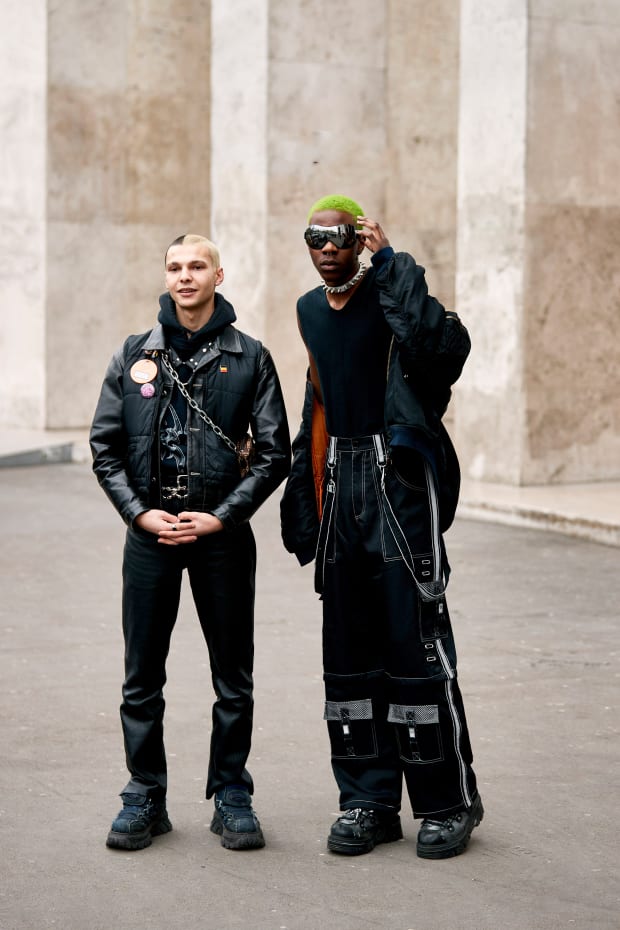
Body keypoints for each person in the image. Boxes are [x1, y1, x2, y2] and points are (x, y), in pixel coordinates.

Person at [280, 195, 483, 860]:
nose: (328, 246)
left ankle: (446, 805)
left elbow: (438, 349)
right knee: (347, 652)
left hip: (396, 482)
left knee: (414, 646)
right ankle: (366, 802)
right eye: (316, 237)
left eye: (341, 236)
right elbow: (315, 402)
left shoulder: (391, 296)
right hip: (340, 481)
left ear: (360, 241)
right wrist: (303, 502)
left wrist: (394, 262)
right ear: (307, 245)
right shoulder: (310, 311)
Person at [90, 234, 290, 852]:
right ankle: (144, 794)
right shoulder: (133, 355)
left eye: (196, 266)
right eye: (175, 267)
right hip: (149, 536)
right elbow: (106, 448)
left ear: (219, 275)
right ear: (165, 276)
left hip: (220, 540)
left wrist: (222, 518)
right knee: (141, 676)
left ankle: (232, 792)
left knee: (233, 675)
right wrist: (139, 515)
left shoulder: (250, 356)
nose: (184, 276)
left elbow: (274, 453)